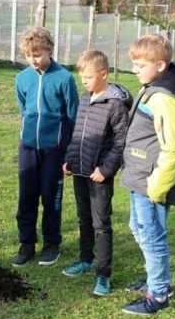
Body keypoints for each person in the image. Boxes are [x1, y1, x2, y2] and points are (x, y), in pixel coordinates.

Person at [120, 33, 175, 315]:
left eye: (140, 65)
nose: (135, 70)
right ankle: (155, 280)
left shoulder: (164, 100)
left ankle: (159, 294)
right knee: (137, 229)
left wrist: (156, 187)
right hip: (139, 177)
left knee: (152, 237)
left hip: (151, 184)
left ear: (161, 66)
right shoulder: (151, 87)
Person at [61, 50, 131, 296]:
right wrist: (69, 160)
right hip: (79, 171)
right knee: (84, 218)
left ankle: (103, 274)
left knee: (101, 224)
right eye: (82, 77)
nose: (85, 81)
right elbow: (78, 134)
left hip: (99, 175)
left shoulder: (115, 105)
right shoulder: (84, 98)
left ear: (103, 74)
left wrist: (106, 169)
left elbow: (121, 142)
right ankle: (85, 259)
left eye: (89, 77)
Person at [13, 26, 79, 268]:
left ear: (49, 50)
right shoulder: (22, 78)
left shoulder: (64, 78)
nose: (33, 60)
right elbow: (24, 110)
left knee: (51, 197)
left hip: (55, 149)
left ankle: (52, 243)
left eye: (37, 54)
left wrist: (70, 151)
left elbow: (72, 115)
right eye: (29, 56)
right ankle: (27, 242)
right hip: (29, 147)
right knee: (26, 197)